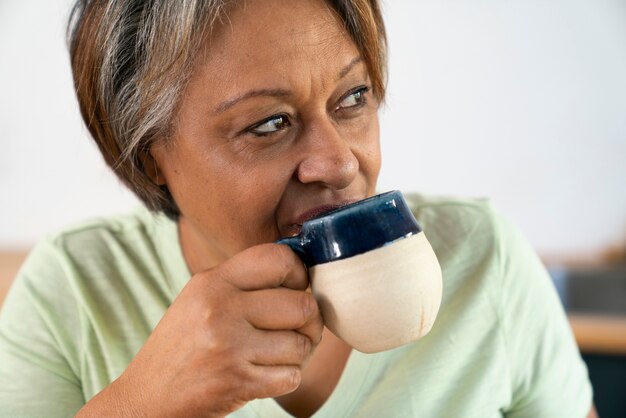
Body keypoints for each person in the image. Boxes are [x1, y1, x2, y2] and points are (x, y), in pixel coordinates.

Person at [0, 0, 596, 417]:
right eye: (268, 124)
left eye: (353, 98)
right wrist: (144, 404)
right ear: (151, 157)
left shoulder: (482, 257)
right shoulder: (73, 289)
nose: (339, 162)